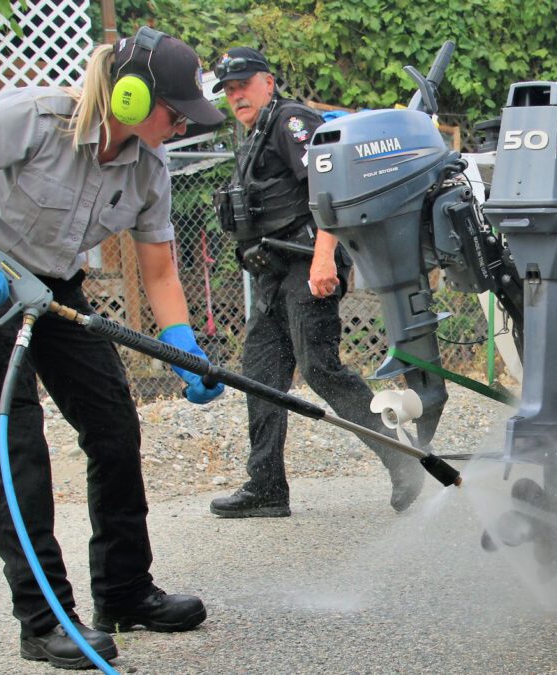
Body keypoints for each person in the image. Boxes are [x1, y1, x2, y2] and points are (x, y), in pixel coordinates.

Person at [0, 28, 225, 670]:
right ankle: (43, 621)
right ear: (128, 97)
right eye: (175, 111)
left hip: (53, 289)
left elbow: (159, 271)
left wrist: (183, 345)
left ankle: (124, 593)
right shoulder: (34, 119)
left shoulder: (149, 169)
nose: (183, 124)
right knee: (18, 447)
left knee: (114, 427)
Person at [208, 47, 425, 518]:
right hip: (271, 274)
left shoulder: (290, 122)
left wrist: (325, 257)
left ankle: (405, 463)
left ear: (268, 81)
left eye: (243, 84)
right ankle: (266, 488)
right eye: (228, 89)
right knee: (260, 379)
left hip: (306, 263)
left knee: (320, 368)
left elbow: (329, 189)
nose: (236, 95)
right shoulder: (253, 136)